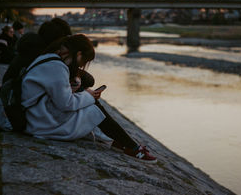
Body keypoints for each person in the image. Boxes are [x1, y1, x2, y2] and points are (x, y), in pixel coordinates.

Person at [21, 34, 157, 163]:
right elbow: (66, 104)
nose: (81, 66)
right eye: (84, 61)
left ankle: (120, 142)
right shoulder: (57, 67)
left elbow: (57, 96)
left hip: (35, 114)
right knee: (93, 108)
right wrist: (89, 96)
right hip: (38, 122)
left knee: (90, 104)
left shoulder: (50, 58)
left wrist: (83, 93)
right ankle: (131, 147)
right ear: (79, 54)